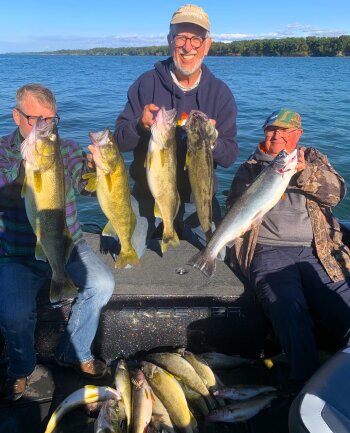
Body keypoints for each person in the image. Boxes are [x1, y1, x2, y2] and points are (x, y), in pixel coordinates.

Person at [0, 83, 115, 401]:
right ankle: (21, 368)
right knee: (12, 313)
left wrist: (95, 167)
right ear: (16, 117)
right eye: (36, 120)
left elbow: (87, 185)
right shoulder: (3, 151)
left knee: (103, 284)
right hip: (17, 252)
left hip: (67, 243)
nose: (44, 128)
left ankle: (74, 351)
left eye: (50, 121)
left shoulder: (66, 148)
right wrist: (23, 168)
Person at [227, 108, 350, 390]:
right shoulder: (249, 167)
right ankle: (305, 382)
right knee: (287, 308)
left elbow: (335, 193)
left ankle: (343, 374)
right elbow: (234, 208)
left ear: (298, 134)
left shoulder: (314, 159)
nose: (277, 136)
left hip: (320, 251)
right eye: (271, 130)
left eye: (285, 131)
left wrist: (303, 171)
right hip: (269, 252)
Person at [115, 4, 238, 257]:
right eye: (181, 37)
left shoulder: (220, 93)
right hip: (148, 198)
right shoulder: (145, 84)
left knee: (220, 255)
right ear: (170, 40)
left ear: (207, 44)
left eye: (196, 38)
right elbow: (118, 141)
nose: (188, 46)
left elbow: (230, 156)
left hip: (198, 203)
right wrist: (140, 125)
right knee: (124, 255)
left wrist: (212, 141)